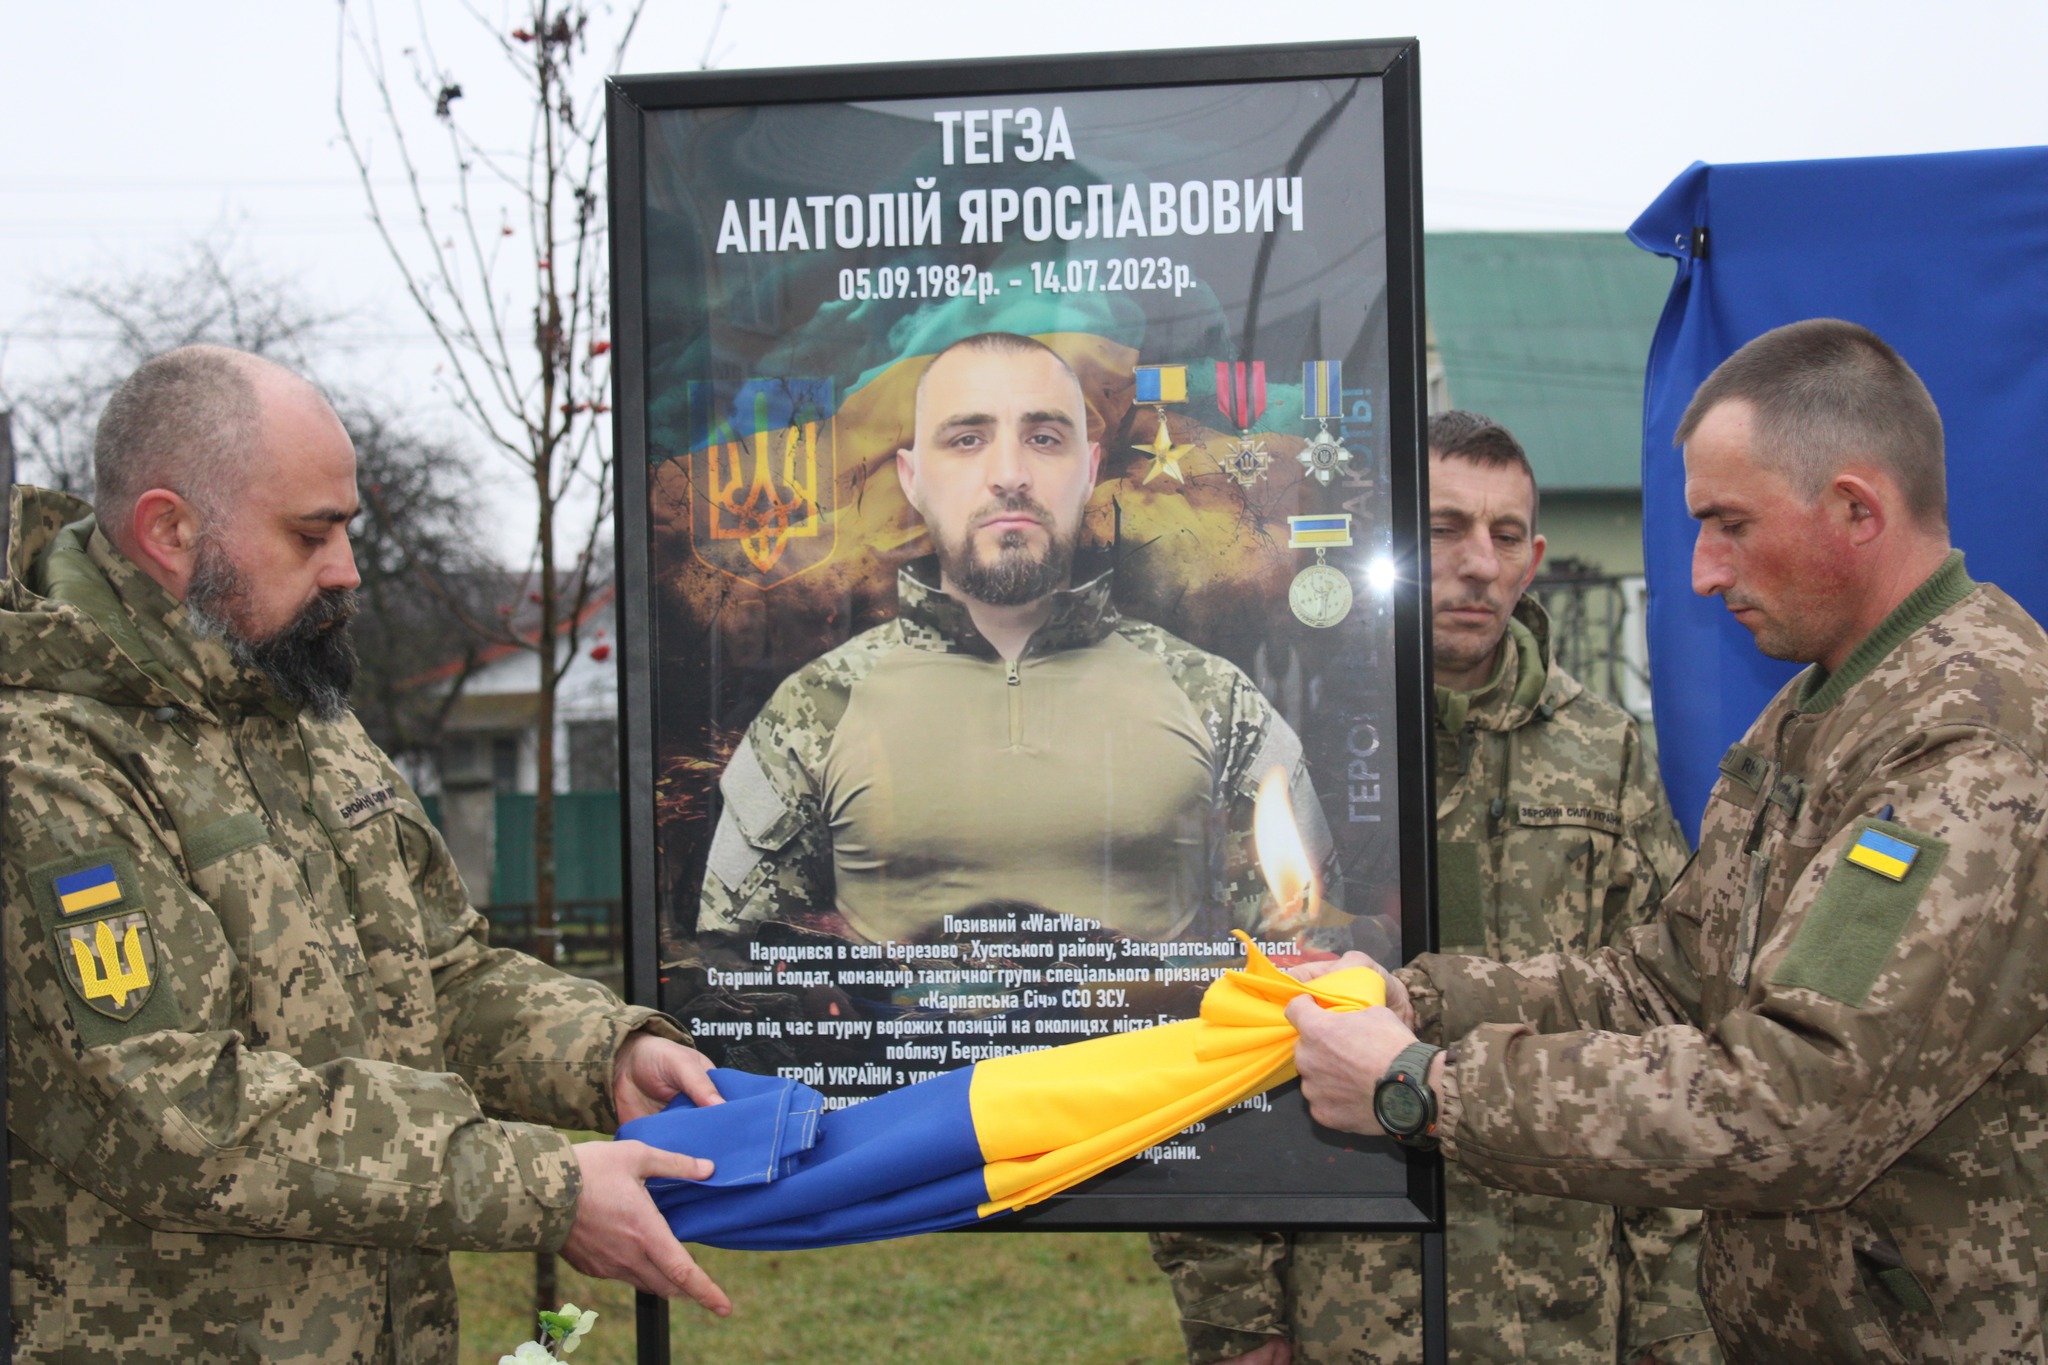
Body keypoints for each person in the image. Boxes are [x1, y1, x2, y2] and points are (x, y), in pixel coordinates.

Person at [1287, 319, 2048, 1361]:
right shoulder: (1822, 710)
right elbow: (1664, 981)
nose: (1699, 572)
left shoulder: (1966, 743)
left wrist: (1425, 1086)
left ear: (1856, 510)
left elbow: (1798, 1100)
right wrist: (1417, 999)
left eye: (1728, 524)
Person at [1, 345, 729, 1361]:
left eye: (347, 528)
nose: (346, 569)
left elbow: (438, 973)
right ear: (169, 531)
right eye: (311, 534)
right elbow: (173, 1109)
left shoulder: (293, 702)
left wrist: (601, 1054)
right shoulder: (47, 760)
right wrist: (540, 1186)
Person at [1151, 413, 1716, 1364]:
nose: (1479, 564)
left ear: (1534, 560)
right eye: (1445, 528)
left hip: (1558, 1303)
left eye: (1505, 535)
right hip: (1347, 1304)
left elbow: (1665, 1035)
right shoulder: (1293, 744)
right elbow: (1211, 1035)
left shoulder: (1603, 752)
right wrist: (1235, 1310)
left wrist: (1668, 1321)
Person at [698, 330, 1332, 945]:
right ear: (912, 478)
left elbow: (1309, 958)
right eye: (967, 439)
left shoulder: (1216, 700)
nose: (1009, 474)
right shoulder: (812, 708)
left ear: (1090, 469)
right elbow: (732, 972)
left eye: (1044, 438)